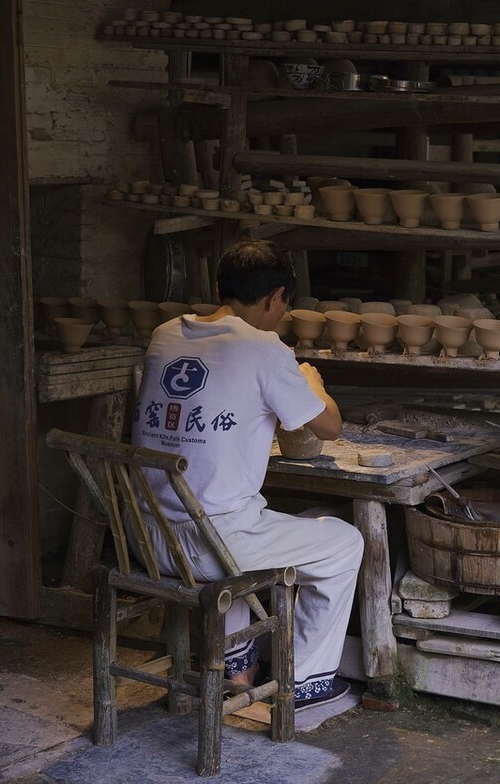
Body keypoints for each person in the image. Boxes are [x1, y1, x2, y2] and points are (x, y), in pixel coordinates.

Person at [131, 239, 362, 710]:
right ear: (276, 297)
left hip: (145, 536)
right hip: (210, 547)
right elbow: (330, 427)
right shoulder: (264, 349)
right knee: (343, 542)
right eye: (284, 306)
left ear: (218, 288)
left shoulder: (163, 334)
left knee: (238, 523)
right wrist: (313, 384)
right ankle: (308, 685)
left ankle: (237, 669)